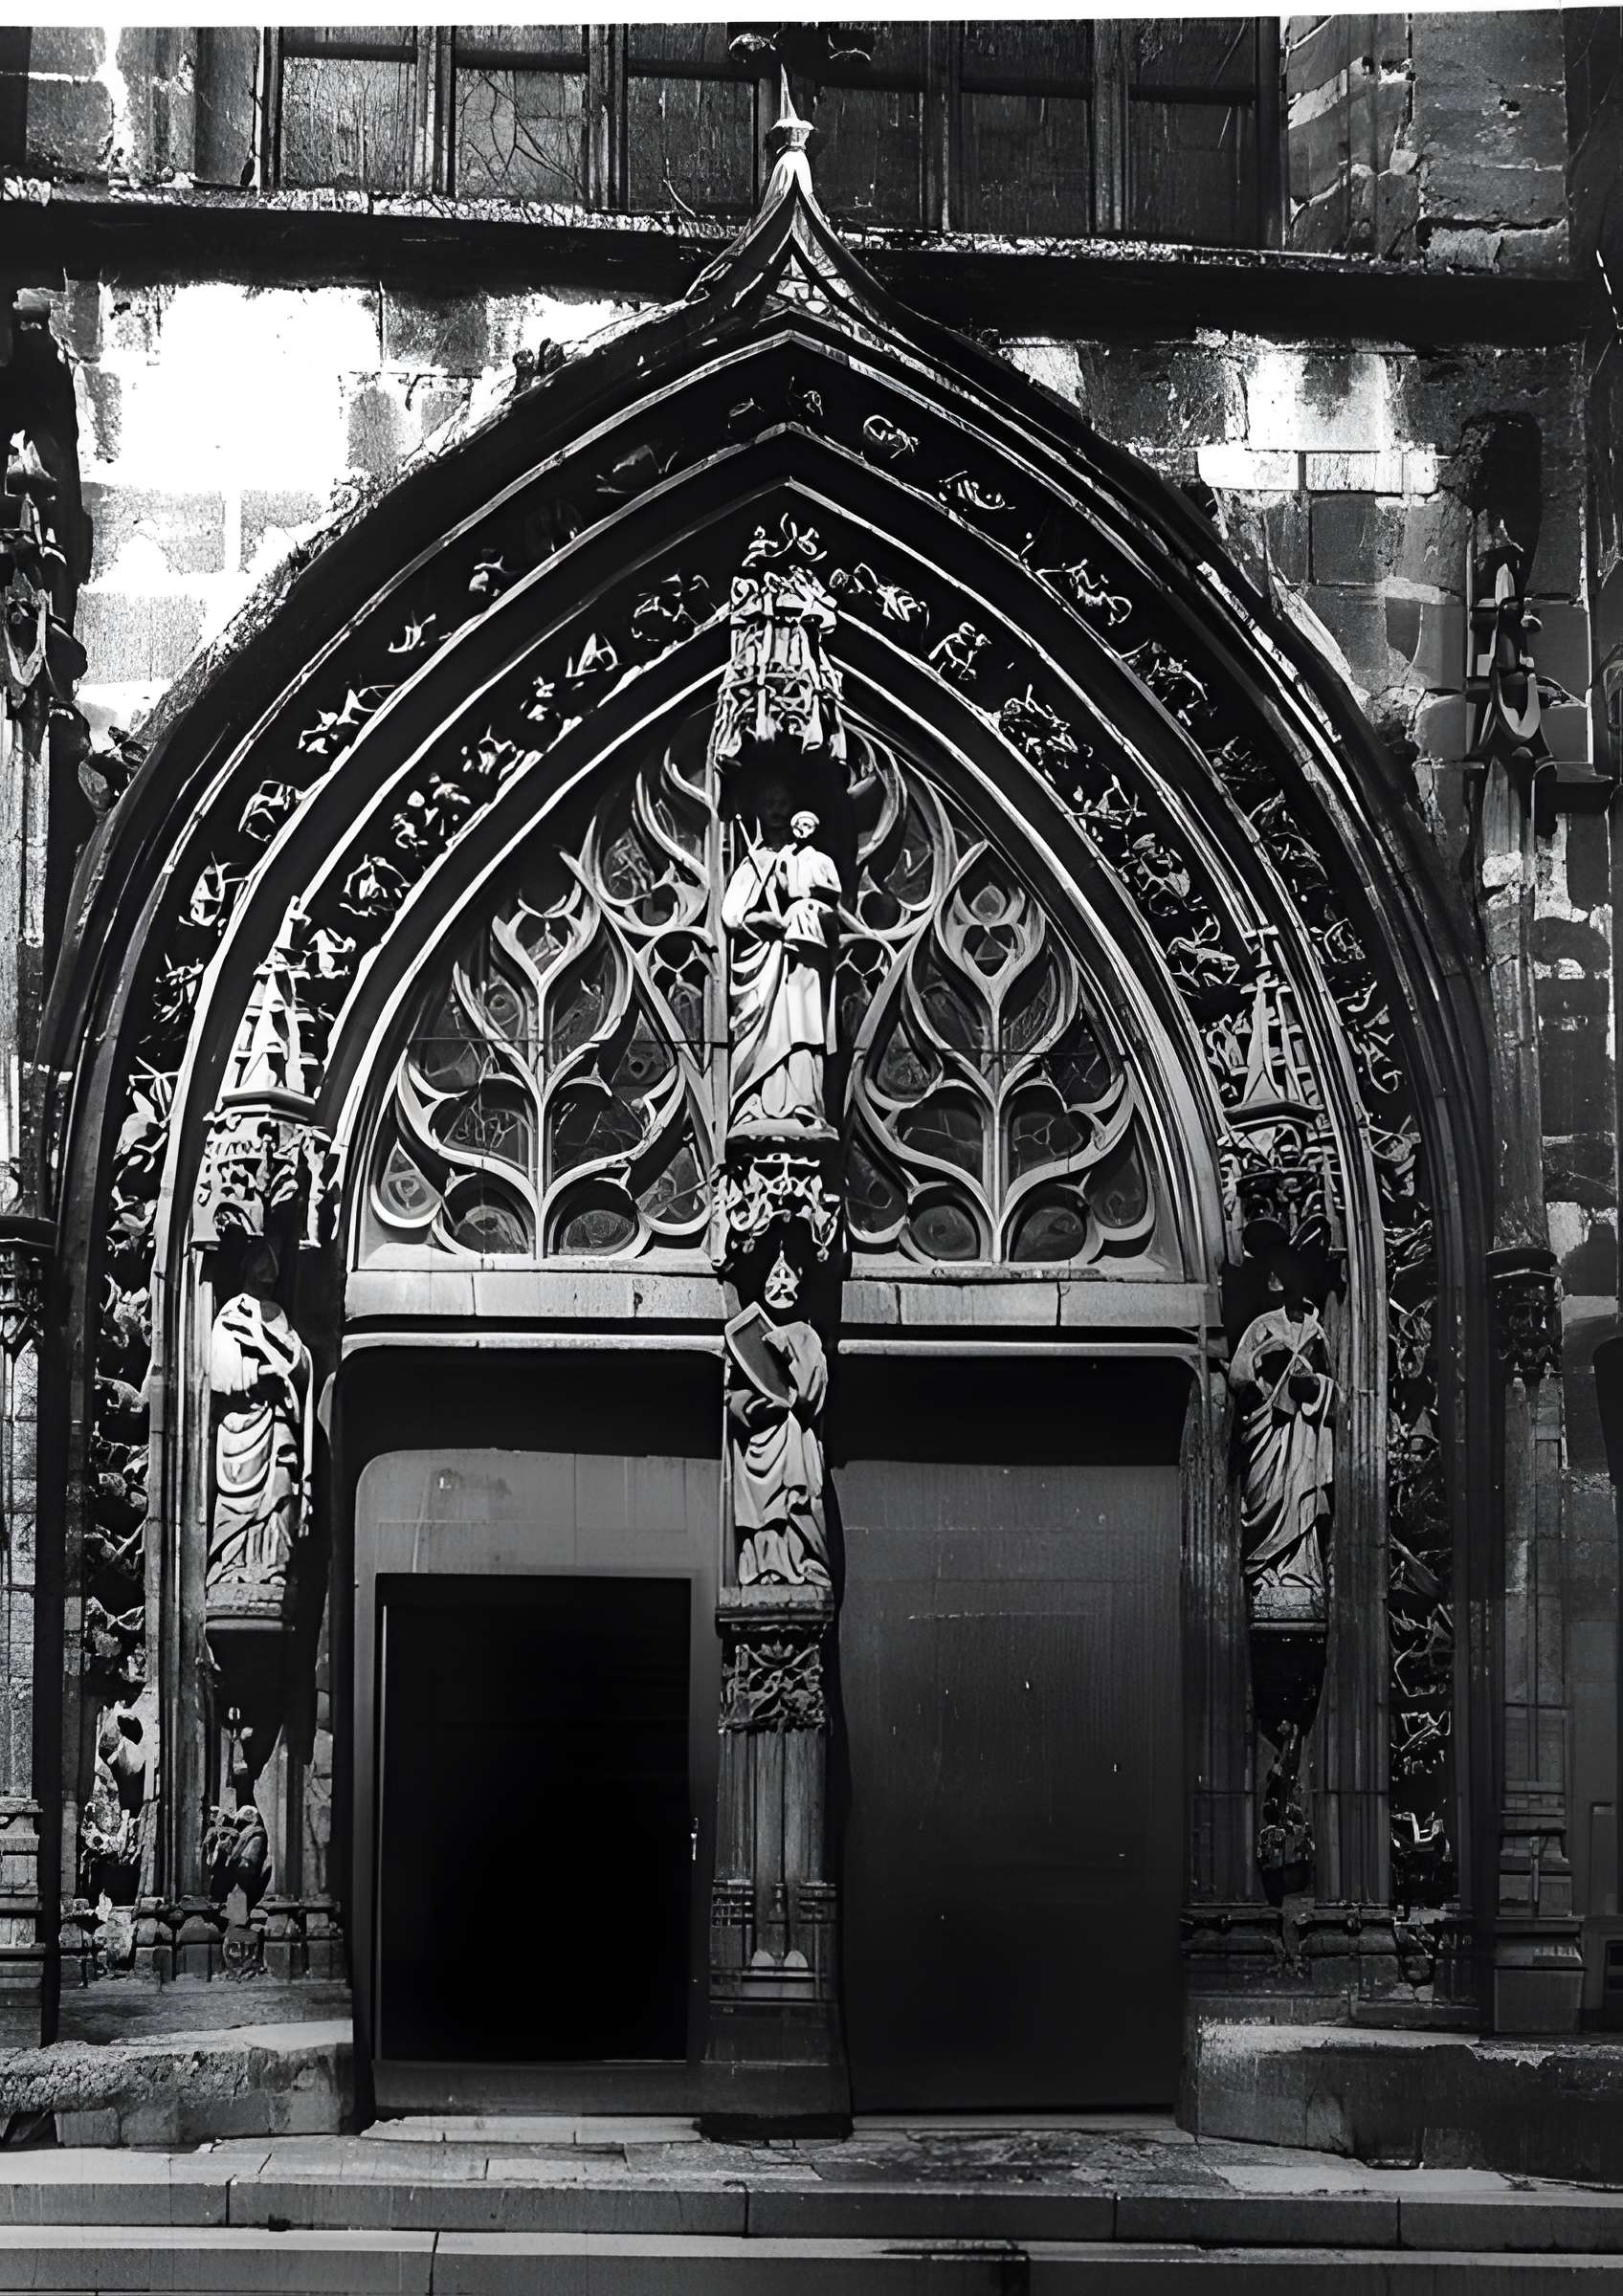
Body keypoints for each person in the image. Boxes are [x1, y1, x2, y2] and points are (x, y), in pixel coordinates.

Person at [721, 789, 841, 1135]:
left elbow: (829, 903)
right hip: (762, 960)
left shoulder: (812, 859)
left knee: (802, 1026)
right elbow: (732, 914)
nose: (776, 810)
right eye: (769, 803)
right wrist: (760, 920)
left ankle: (804, 1102)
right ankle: (752, 1104)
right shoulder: (754, 862)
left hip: (801, 956)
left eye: (783, 803)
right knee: (764, 1036)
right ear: (759, 810)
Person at [207, 1241, 312, 1611]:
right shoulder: (231, 1313)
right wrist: (256, 1372)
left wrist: (292, 1364)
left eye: (272, 1269)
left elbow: (300, 1361)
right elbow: (219, 1368)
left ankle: (273, 1567)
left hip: (277, 1418)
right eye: (261, 1267)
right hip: (241, 1423)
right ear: (248, 1269)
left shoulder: (279, 1316)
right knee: (238, 1501)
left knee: (281, 1488)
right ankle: (230, 1568)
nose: (267, 1275)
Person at [1228, 1262, 1336, 1621]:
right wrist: (1262, 1369)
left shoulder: (1316, 1332)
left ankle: (1299, 1575)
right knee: (1266, 1492)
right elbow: (1238, 1375)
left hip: (1302, 1428)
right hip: (1268, 1425)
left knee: (1301, 1492)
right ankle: (1264, 1575)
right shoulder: (1262, 1325)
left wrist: (1314, 1385)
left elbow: (1336, 1391)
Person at [725, 1247, 831, 1588]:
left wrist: (787, 1354)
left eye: (788, 1276)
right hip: (757, 1438)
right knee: (758, 1513)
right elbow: (733, 1394)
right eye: (775, 1276)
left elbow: (812, 1390)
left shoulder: (803, 1333)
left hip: (792, 1432)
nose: (782, 1284)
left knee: (794, 1500)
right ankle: (763, 1567)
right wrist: (748, 1406)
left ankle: (802, 1563)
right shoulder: (749, 1332)